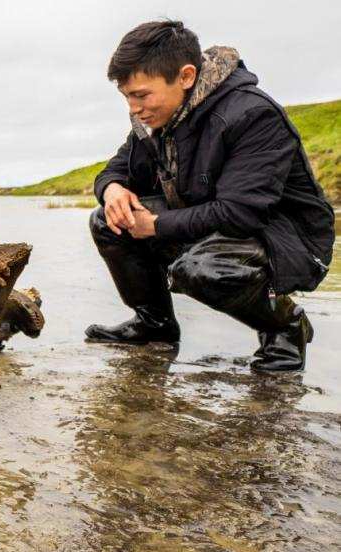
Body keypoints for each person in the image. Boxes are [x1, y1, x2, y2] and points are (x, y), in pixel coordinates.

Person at [86, 20, 334, 372]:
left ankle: (285, 327)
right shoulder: (155, 119)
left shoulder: (252, 114)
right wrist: (112, 190)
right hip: (212, 222)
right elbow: (115, 169)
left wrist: (155, 225)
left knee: (203, 270)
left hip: (285, 240)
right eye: (127, 96)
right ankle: (155, 324)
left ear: (185, 77)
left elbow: (240, 213)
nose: (134, 107)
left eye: (141, 95)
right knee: (108, 220)